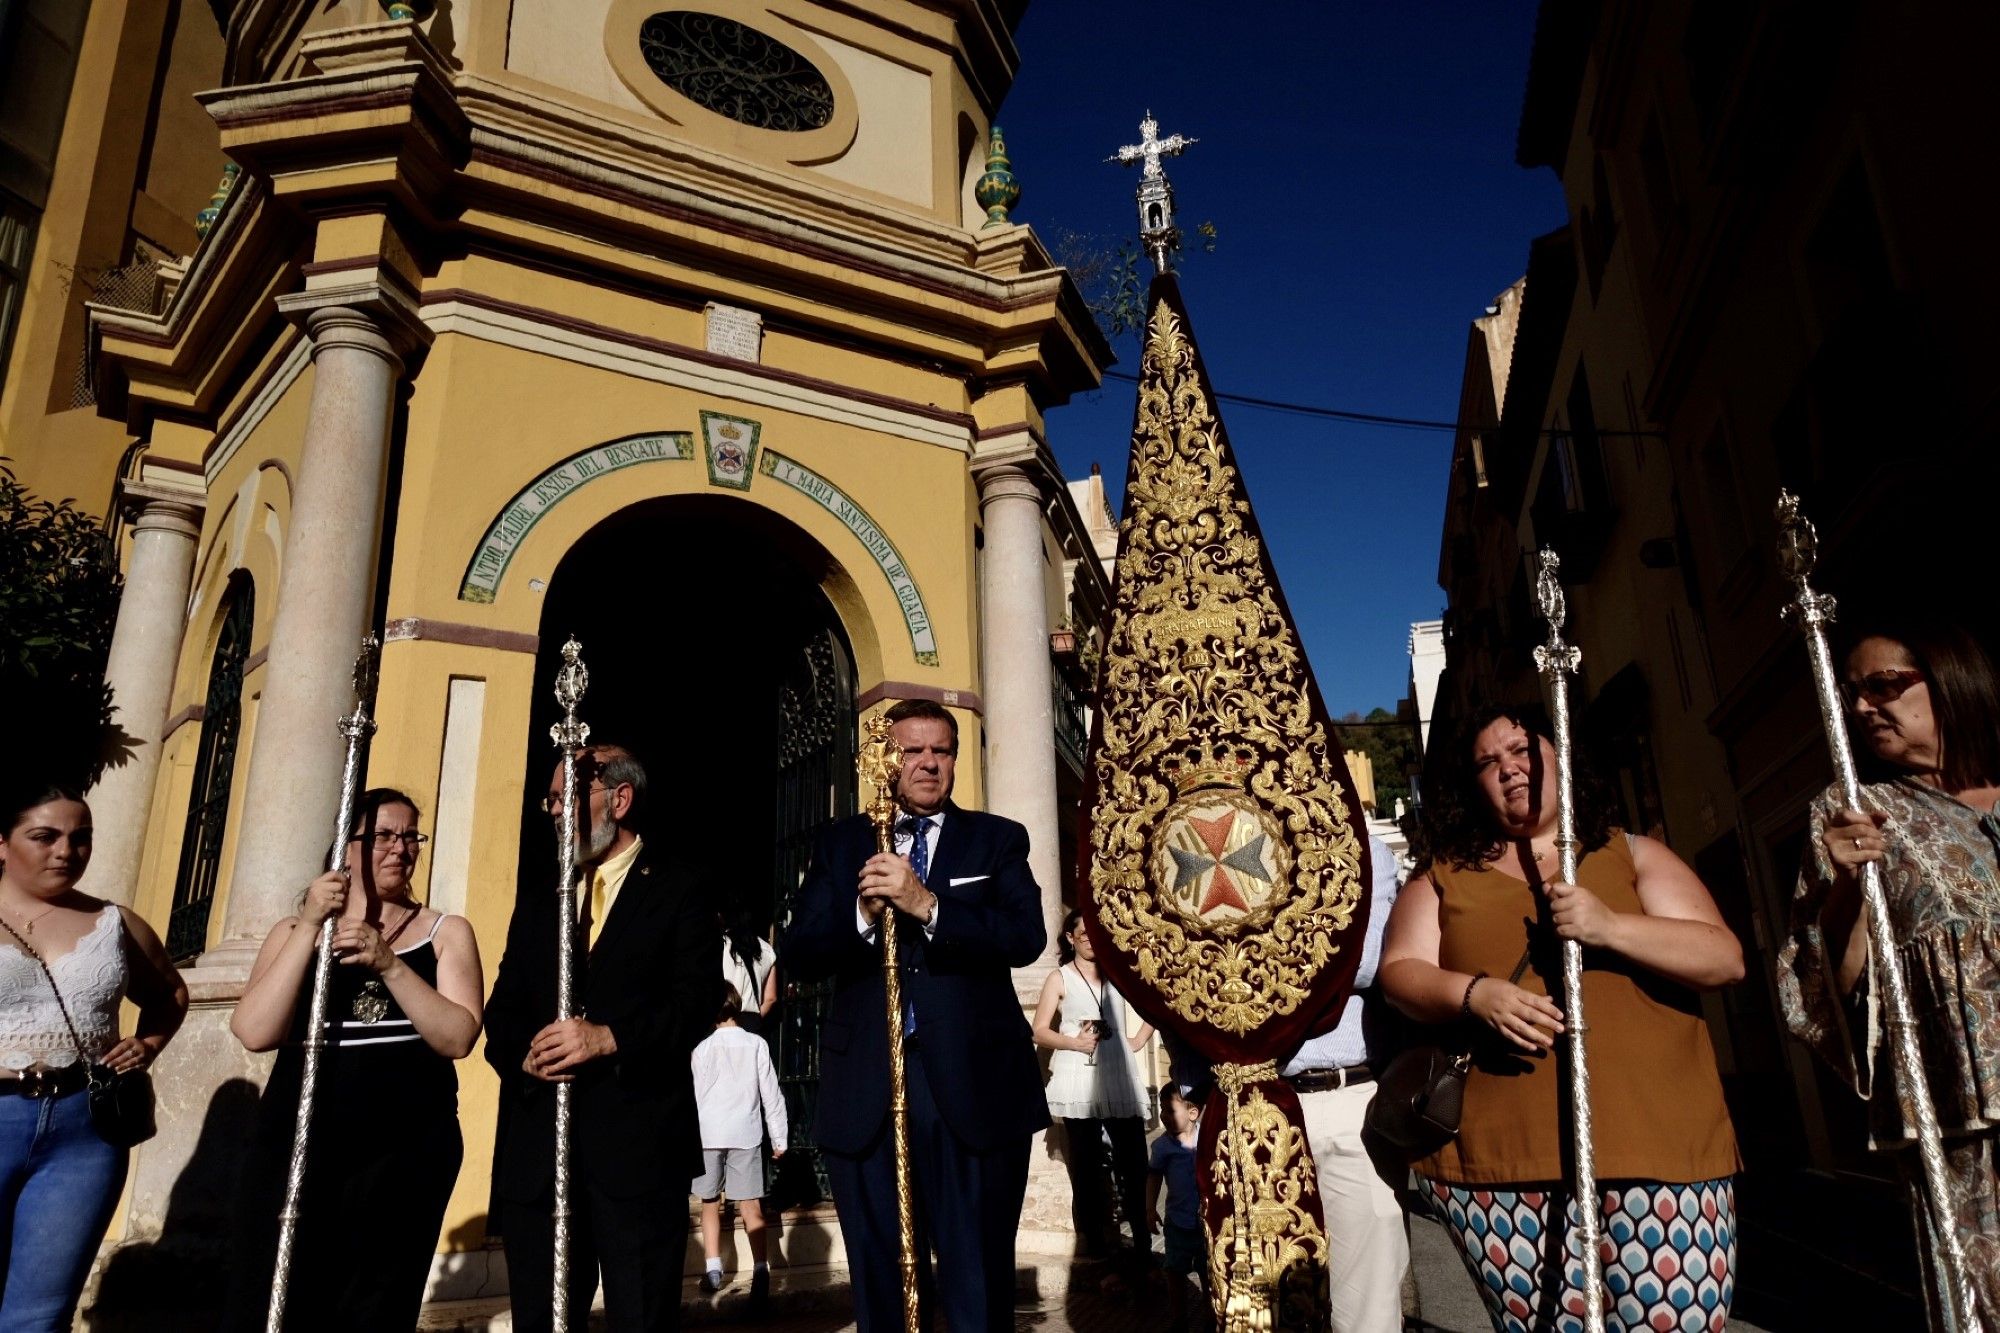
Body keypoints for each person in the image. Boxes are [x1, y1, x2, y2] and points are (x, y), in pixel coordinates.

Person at [1380, 705, 1744, 1333]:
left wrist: (1611, 927)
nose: (1509, 770)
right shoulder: (1444, 877)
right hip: (1500, 1165)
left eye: (1521, 750)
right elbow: (1400, 972)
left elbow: (1723, 958)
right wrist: (1474, 994)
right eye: (1488, 763)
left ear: (1560, 755)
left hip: (1659, 1143)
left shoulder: (1628, 853)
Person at [782, 698, 1047, 1333]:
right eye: (912, 750)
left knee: (977, 1279)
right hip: (867, 1085)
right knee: (880, 1281)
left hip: (972, 1089)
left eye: (942, 751)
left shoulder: (997, 839)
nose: (928, 764)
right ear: (884, 760)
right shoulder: (842, 843)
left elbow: (1025, 936)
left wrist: (927, 904)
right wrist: (863, 918)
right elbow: (799, 950)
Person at [1778, 620, 2000, 1327]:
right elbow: (1827, 984)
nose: (1864, 706)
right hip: (1967, 1107)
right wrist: (1846, 887)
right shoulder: (1857, 815)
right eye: (1853, 693)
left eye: (1884, 686)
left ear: (1949, 680)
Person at [223, 787, 484, 1331]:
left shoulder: (444, 933)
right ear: (346, 848)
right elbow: (253, 1030)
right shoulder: (292, 935)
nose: (401, 848)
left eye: (411, 836)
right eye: (384, 836)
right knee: (277, 1295)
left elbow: (457, 1037)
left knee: (373, 1308)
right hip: (298, 1144)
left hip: (402, 1154)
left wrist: (389, 963)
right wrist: (310, 924)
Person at [485, 745, 718, 1333]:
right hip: (540, 1155)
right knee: (540, 1319)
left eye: (569, 798)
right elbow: (503, 1012)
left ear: (619, 799)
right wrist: (526, 1057)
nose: (558, 812)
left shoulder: (679, 888)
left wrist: (610, 1038)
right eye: (552, 800)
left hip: (637, 1153)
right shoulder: (541, 902)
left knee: (640, 1318)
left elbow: (694, 1005)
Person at [0, 782, 187, 1331]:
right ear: (3, 843)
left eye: (81, 839)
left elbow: (169, 994)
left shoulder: (115, 922)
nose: (66, 851)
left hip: (84, 1130)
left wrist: (147, 1044)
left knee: (40, 1314)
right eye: (45, 836)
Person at [1282, 832, 1409, 1333]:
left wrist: (1245, 963)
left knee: (1367, 1310)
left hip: (1348, 1097)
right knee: (1262, 1304)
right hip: (1252, 1100)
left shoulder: (1358, 847)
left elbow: (1367, 960)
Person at [1033, 908, 1154, 1267]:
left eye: (1093, 933)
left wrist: (1135, 1042)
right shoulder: (1060, 978)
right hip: (1078, 1073)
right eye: (1081, 933)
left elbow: (1153, 1005)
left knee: (1133, 1156)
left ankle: (1141, 1241)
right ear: (1070, 938)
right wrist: (1074, 1043)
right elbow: (1039, 1029)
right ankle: (1095, 1240)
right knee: (1085, 1162)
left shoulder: (1118, 972)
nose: (1088, 938)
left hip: (1118, 1073)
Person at [691, 981, 788, 1305]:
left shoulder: (701, 1049)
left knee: (709, 1204)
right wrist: (780, 1137)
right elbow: (770, 1094)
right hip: (745, 1133)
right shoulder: (756, 1045)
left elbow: (694, 1097)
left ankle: (714, 1268)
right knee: (751, 1205)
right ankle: (761, 1268)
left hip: (708, 1134)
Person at [1145, 1083, 1205, 1333]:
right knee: (1174, 1271)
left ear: (1192, 1113)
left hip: (1206, 1224)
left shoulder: (1209, 1138)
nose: (1163, 1116)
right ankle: (1179, 1318)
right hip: (1177, 1222)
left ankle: (1214, 1315)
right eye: (1162, 1110)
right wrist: (1149, 1209)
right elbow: (1154, 1176)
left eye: (1170, 1110)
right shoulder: (1163, 1146)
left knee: (1209, 1273)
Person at [719, 907, 778, 1036]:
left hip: (723, 1019)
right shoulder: (767, 950)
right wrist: (755, 1019)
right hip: (752, 1022)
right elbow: (771, 998)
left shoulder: (720, 944)